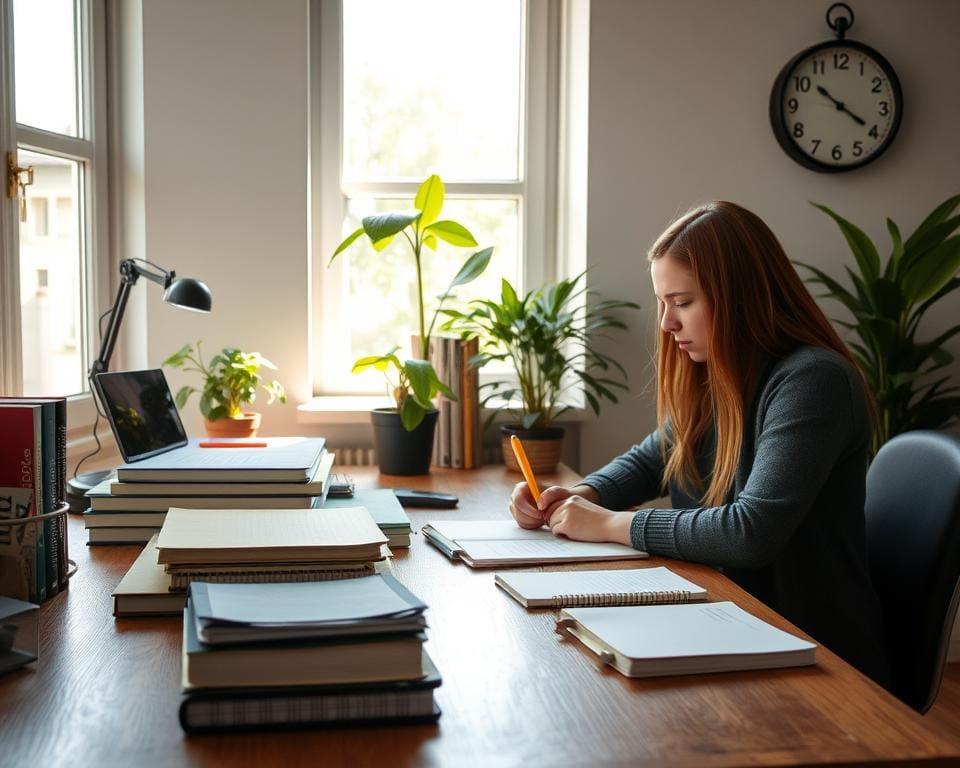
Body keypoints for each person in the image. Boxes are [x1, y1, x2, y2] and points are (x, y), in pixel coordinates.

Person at [509, 201, 890, 686]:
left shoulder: (813, 381)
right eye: (663, 303)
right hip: (730, 621)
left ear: (742, 297)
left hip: (814, 653)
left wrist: (607, 524)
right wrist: (580, 495)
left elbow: (749, 533)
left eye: (683, 302)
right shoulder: (719, 373)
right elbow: (652, 461)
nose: (667, 324)